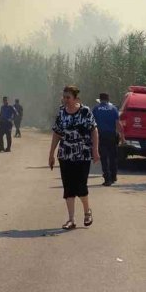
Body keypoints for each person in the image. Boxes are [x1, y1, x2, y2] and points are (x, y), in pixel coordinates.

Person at [48, 85, 100, 229]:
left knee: (81, 186)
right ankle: (71, 219)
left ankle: (87, 211)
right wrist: (51, 153)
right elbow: (57, 133)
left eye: (68, 97)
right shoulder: (61, 112)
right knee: (68, 187)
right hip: (65, 154)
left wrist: (95, 150)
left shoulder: (85, 111)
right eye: (64, 97)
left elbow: (94, 130)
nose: (65, 100)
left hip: (82, 154)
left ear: (75, 98)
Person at [93, 92, 123, 186]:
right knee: (113, 156)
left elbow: (92, 124)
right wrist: (122, 136)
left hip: (101, 136)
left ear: (100, 99)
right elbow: (118, 124)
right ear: (108, 99)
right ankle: (113, 176)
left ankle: (107, 179)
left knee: (104, 158)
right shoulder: (113, 108)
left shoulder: (96, 109)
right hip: (112, 136)